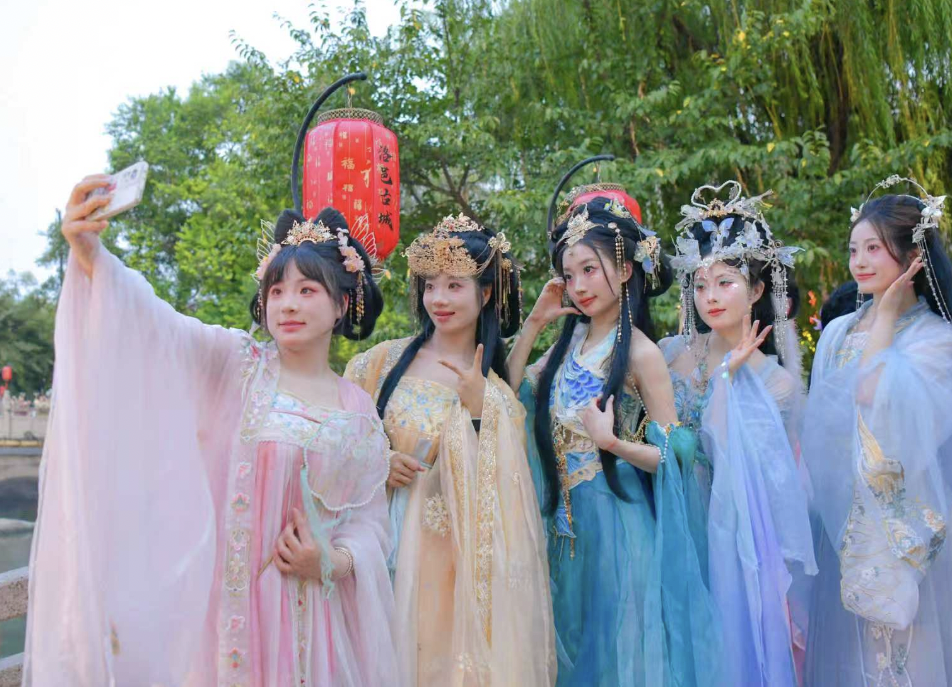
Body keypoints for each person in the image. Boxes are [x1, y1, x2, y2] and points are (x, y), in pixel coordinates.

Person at [24, 175, 396, 686]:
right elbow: (156, 324)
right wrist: (90, 253)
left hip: (314, 621)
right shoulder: (235, 364)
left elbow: (370, 522)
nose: (288, 304)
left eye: (307, 290)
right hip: (228, 617)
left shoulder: (357, 407)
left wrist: (333, 560)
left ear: (341, 305)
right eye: (277, 291)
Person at [507, 187, 719, 686]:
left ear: (625, 270)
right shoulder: (570, 342)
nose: (578, 286)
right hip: (561, 525)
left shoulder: (641, 353)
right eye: (570, 274)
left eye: (589, 269)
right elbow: (508, 394)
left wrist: (615, 444)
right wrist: (535, 322)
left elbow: (676, 456)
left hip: (618, 525)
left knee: (613, 660)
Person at [802, 176, 952, 686]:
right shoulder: (837, 332)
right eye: (854, 249)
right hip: (847, 524)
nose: (859, 261)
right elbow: (823, 428)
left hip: (911, 529)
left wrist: (886, 313)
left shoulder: (940, 339)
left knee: (907, 664)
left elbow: (879, 407)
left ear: (913, 257)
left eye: (874, 248)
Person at [345, 214, 556, 685]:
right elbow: (337, 439)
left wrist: (481, 409)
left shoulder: (496, 394)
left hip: (450, 566)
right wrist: (378, 461)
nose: (438, 299)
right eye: (430, 286)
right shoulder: (380, 363)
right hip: (379, 545)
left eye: (454, 285)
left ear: (485, 294)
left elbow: (509, 497)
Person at [660, 181, 815, 686]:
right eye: (700, 284)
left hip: (733, 536)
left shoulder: (777, 383)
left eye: (725, 282)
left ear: (757, 290)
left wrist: (730, 377)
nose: (710, 297)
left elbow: (755, 476)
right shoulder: (670, 353)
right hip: (671, 520)